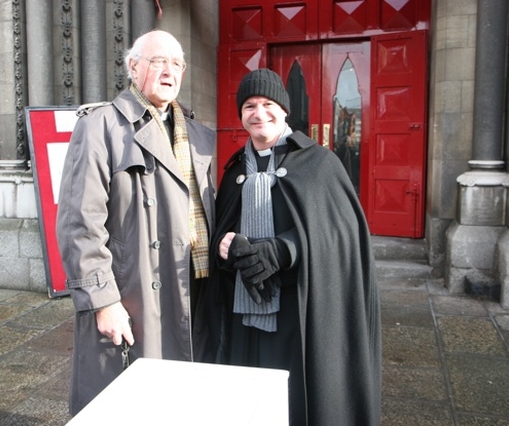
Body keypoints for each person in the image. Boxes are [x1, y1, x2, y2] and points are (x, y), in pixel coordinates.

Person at [206, 69, 381, 425]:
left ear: (284, 110)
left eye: (268, 104)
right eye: (250, 106)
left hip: (300, 311)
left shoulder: (318, 163)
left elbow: (341, 236)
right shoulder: (234, 170)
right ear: (241, 115)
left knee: (297, 404)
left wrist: (284, 249)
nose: (259, 113)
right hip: (245, 315)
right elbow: (221, 233)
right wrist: (226, 249)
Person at [56, 29, 216, 416]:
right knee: (129, 405)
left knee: (182, 401)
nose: (170, 71)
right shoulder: (100, 126)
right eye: (159, 61)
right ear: (133, 66)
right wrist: (103, 301)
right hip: (136, 292)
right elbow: (80, 223)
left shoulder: (200, 135)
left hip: (196, 290)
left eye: (177, 63)